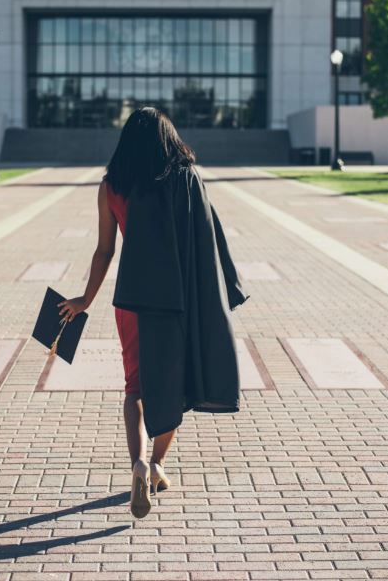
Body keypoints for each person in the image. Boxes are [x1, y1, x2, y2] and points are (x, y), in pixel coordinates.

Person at [57, 106, 248, 520]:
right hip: (176, 300)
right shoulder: (185, 180)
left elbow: (105, 250)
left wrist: (84, 300)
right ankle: (159, 464)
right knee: (171, 386)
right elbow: (207, 239)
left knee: (136, 387)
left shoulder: (112, 186)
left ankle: (138, 463)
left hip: (134, 301)